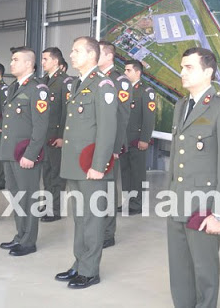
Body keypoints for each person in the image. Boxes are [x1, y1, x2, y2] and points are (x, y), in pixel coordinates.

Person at [166, 48, 220, 307]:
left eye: (189, 67)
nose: (182, 72)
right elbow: (177, 157)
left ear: (208, 72)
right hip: (178, 200)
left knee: (204, 269)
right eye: (182, 66)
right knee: (179, 269)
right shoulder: (181, 106)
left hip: (204, 205)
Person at [55, 36, 117, 289]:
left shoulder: (103, 85)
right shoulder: (78, 83)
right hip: (75, 165)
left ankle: (90, 271)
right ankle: (79, 264)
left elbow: (107, 129)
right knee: (80, 218)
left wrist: (99, 165)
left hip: (91, 166)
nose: (72, 55)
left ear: (92, 55)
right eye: (72, 51)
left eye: (77, 51)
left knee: (91, 219)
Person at [0, 47, 49, 256]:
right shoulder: (13, 87)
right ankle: (20, 235)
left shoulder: (38, 89)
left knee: (28, 197)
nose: (11, 63)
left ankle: (28, 241)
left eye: (15, 60)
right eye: (11, 60)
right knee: (16, 197)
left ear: (28, 64)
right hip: (10, 152)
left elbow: (41, 126)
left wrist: (31, 154)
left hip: (25, 154)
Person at [98, 41, 132, 249]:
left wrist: (115, 147)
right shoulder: (96, 79)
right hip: (95, 145)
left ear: (109, 56)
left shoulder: (120, 81)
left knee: (108, 189)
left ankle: (108, 233)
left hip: (110, 146)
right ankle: (97, 229)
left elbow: (122, 116)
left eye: (98, 53)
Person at [121, 60, 156, 215]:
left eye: (128, 70)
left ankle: (137, 204)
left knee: (137, 173)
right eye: (125, 70)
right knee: (125, 172)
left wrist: (145, 139)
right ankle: (127, 201)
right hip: (124, 140)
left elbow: (149, 118)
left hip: (137, 140)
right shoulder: (124, 90)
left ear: (138, 72)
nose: (125, 73)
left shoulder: (145, 91)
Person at [40, 47, 70, 222]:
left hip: (56, 135)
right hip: (44, 135)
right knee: (47, 172)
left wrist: (62, 135)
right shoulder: (44, 80)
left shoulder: (64, 82)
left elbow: (66, 111)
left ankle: (56, 209)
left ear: (55, 61)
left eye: (45, 59)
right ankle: (48, 203)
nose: (42, 62)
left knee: (57, 174)